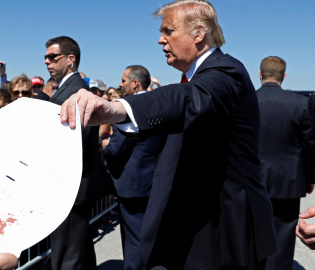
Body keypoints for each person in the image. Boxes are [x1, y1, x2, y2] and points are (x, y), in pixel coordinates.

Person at [59, 0, 277, 269]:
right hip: (197, 224)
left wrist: (118, 108)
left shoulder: (225, 71)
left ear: (199, 33)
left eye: (168, 31)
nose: (161, 40)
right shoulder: (198, 77)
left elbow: (187, 100)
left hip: (223, 229)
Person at [44, 36, 100, 270]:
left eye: (52, 57)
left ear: (70, 59)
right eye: (45, 57)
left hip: (68, 187)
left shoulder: (75, 90)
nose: (47, 62)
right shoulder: (68, 88)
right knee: (79, 249)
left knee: (67, 257)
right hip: (71, 187)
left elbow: (75, 141)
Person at [256, 56, 315, 269]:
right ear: (284, 76)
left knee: (254, 232)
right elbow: (309, 146)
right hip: (288, 180)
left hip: (255, 180)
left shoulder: (248, 102)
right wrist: (309, 179)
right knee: (283, 235)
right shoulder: (300, 103)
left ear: (260, 74)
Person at [103, 65, 159, 270]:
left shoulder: (129, 106)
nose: (120, 84)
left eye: (123, 80)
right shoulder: (158, 102)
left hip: (132, 185)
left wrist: (105, 147)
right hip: (152, 181)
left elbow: (117, 149)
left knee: (134, 240)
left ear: (135, 83)